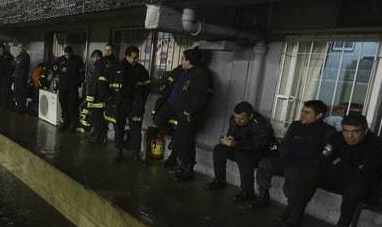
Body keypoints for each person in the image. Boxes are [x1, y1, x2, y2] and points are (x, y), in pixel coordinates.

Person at [280, 113, 382, 227]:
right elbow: (323, 159)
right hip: (342, 179)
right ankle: (295, 215)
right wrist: (349, 166)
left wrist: (339, 163)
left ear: (365, 130)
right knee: (312, 171)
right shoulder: (337, 137)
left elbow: (366, 175)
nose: (350, 136)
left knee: (354, 187)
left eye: (355, 132)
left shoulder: (377, 146)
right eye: (346, 131)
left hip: (365, 186)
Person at [254, 100, 335, 208]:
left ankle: (292, 207)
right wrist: (273, 149)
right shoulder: (296, 125)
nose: (302, 115)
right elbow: (283, 144)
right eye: (302, 111)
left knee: (291, 172)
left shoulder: (328, 131)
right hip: (287, 160)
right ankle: (263, 197)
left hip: (305, 165)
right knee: (265, 162)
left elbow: (326, 154)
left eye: (307, 113)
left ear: (319, 115)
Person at [151, 47, 212, 181]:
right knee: (161, 122)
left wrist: (188, 111)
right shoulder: (184, 71)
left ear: (189, 61)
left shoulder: (201, 75)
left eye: (183, 59)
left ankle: (187, 169)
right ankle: (177, 149)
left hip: (188, 113)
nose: (181, 61)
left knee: (186, 141)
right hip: (174, 108)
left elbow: (200, 98)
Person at [207, 101, 276, 202]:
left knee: (243, 156)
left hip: (261, 152)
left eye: (242, 119)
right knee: (219, 149)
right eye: (236, 118)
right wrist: (225, 140)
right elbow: (231, 135)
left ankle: (247, 192)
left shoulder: (261, 124)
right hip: (241, 148)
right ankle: (219, 180)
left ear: (250, 116)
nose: (238, 121)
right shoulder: (234, 120)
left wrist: (236, 144)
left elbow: (258, 145)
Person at [102, 45, 151, 163]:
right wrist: (108, 97)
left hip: (134, 105)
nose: (136, 60)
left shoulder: (141, 69)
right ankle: (118, 151)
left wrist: (141, 100)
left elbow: (147, 85)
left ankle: (136, 153)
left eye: (137, 57)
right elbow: (102, 80)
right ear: (126, 56)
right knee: (118, 128)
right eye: (133, 58)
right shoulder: (117, 67)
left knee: (136, 129)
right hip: (119, 104)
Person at [53, 46, 84, 131]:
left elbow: (82, 75)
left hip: (72, 89)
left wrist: (77, 84)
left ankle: (73, 125)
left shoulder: (77, 60)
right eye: (65, 55)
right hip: (62, 88)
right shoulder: (60, 59)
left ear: (72, 53)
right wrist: (61, 69)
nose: (67, 57)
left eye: (68, 55)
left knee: (72, 107)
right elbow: (55, 69)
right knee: (64, 106)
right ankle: (65, 124)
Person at [84, 49, 107, 143]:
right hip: (100, 98)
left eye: (93, 58)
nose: (92, 60)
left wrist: (90, 98)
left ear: (97, 57)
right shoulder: (104, 65)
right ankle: (99, 136)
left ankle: (98, 138)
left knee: (96, 119)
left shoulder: (98, 67)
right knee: (99, 119)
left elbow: (94, 84)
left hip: (97, 99)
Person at [13, 44, 30, 113]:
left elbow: (21, 64)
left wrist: (17, 61)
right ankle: (18, 106)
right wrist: (17, 61)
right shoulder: (19, 55)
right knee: (17, 92)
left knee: (21, 93)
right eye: (18, 48)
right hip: (17, 76)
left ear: (23, 48)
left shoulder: (26, 55)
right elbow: (13, 63)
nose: (18, 49)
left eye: (20, 47)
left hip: (22, 77)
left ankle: (22, 108)